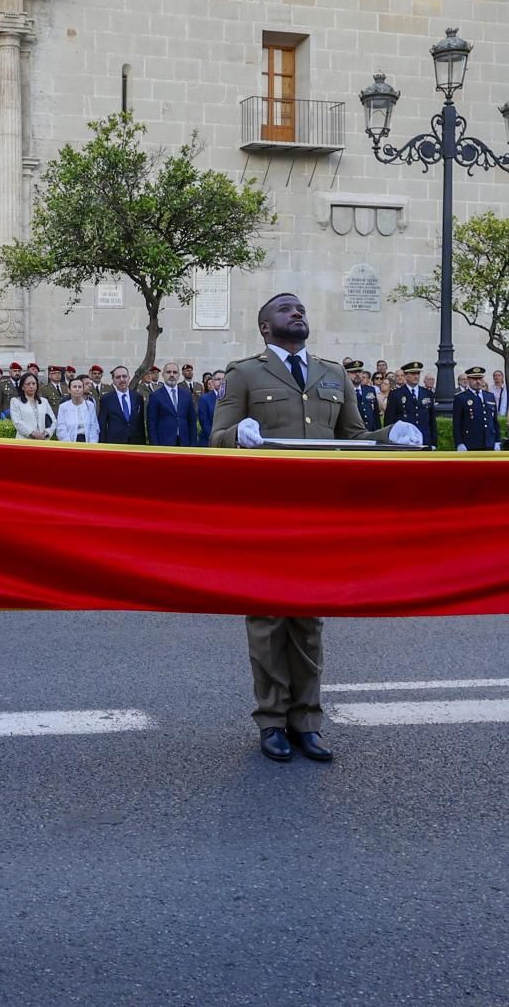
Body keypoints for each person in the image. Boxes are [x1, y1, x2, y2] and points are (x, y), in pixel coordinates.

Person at [209, 293, 420, 763]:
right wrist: (239, 436)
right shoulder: (244, 373)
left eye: (301, 307)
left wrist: (391, 437)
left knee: (309, 618)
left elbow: (353, 438)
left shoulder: (333, 373)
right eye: (284, 309)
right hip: (267, 515)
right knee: (267, 619)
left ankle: (307, 720)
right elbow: (217, 439)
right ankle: (271, 721)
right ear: (265, 327)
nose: (297, 312)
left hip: (319, 516)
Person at [384, 361, 436, 449]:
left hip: (424, 439)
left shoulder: (427, 393)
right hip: (404, 441)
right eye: (412, 373)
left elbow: (432, 419)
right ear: (405, 375)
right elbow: (389, 420)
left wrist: (434, 442)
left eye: (418, 373)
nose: (416, 376)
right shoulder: (396, 394)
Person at [146, 362, 196, 447]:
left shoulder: (187, 395)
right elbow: (151, 423)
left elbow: (192, 421)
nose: (172, 375)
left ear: (179, 375)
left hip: (184, 442)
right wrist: (154, 446)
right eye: (168, 372)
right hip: (164, 443)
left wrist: (193, 444)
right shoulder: (155, 396)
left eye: (175, 372)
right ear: (163, 374)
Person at [452, 367, 499, 451]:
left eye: (480, 378)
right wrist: (459, 443)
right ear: (468, 380)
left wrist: (497, 440)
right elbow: (457, 423)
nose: (478, 382)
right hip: (471, 442)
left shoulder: (489, 396)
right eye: (474, 379)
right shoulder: (461, 397)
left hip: (489, 442)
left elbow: (494, 421)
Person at [97, 365, 146, 444]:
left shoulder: (138, 397)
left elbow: (141, 422)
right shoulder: (106, 399)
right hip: (115, 443)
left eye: (124, 376)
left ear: (129, 378)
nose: (122, 379)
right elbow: (102, 424)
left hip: (136, 442)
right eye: (118, 377)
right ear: (113, 380)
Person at [54, 377, 99, 442]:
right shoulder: (63, 407)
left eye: (80, 387)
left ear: (83, 389)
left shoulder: (90, 405)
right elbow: (61, 428)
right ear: (69, 390)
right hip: (70, 443)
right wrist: (69, 446)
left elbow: (94, 426)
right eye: (74, 387)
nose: (77, 389)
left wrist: (92, 444)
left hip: (87, 442)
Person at [10, 371, 53, 439]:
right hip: (25, 441)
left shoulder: (44, 401)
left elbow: (53, 421)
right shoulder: (15, 401)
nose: (31, 386)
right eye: (28, 384)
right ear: (22, 387)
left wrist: (46, 433)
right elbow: (17, 422)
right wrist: (33, 433)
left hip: (43, 440)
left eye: (33, 383)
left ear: (36, 386)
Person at [346, 359, 381, 432]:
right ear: (347, 374)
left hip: (370, 430)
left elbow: (375, 412)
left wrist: (378, 430)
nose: (357, 374)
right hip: (353, 431)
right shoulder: (345, 391)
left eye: (359, 371)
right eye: (353, 372)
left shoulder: (370, 390)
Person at [197, 369, 225, 445]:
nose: (221, 382)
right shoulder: (205, 399)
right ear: (212, 382)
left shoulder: (231, 398)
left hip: (226, 441)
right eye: (218, 379)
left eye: (223, 379)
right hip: (209, 441)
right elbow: (204, 422)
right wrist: (215, 439)